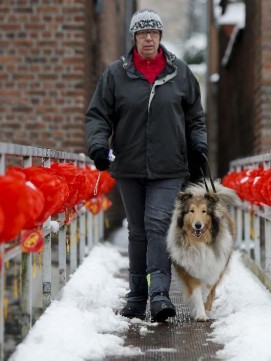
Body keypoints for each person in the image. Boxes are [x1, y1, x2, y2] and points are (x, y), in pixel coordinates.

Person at [84, 8, 207, 322]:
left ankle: (160, 295)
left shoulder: (179, 73)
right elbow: (98, 115)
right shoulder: (116, 74)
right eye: (142, 33)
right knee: (137, 231)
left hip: (170, 167)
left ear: (160, 36)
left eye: (153, 32)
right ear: (134, 38)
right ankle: (137, 295)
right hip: (129, 166)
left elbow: (196, 117)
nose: (148, 38)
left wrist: (198, 144)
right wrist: (98, 144)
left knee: (156, 225)